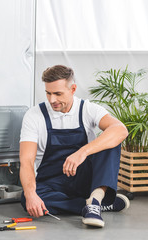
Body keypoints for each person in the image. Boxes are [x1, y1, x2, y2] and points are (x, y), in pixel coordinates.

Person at [19, 65, 130, 228]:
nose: (52, 100)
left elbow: (121, 130)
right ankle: (95, 205)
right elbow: (26, 160)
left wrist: (82, 152)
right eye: (48, 93)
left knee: (111, 140)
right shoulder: (34, 115)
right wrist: (30, 194)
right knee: (27, 198)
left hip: (85, 179)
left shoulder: (87, 109)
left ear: (73, 89)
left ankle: (96, 198)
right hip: (52, 182)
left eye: (58, 94)